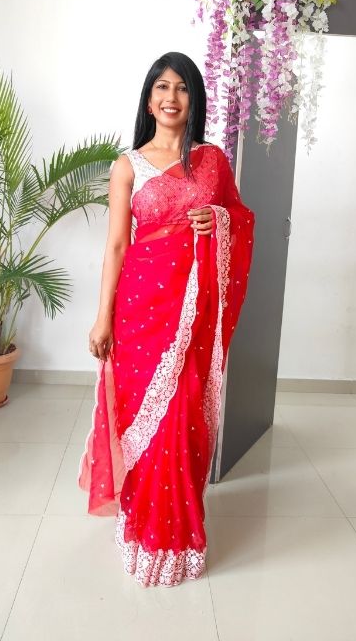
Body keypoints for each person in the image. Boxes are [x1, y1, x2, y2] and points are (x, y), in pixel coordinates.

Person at [78, 51, 255, 587]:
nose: (171, 97)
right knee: (148, 422)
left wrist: (217, 218)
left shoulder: (213, 161)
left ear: (194, 97)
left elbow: (242, 220)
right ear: (149, 97)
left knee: (183, 418)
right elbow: (115, 247)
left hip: (194, 310)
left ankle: (176, 537)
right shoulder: (127, 165)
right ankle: (143, 524)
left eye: (181, 87)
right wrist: (102, 318)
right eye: (161, 86)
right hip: (140, 311)